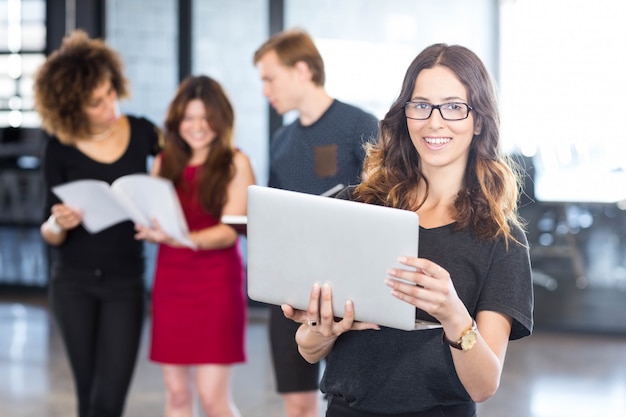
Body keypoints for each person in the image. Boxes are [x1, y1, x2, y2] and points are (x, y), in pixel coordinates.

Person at [281, 43, 534, 417]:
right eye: (421, 105)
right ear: (405, 114)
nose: (434, 122)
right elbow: (308, 347)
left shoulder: (500, 239)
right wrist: (320, 331)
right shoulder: (356, 207)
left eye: (453, 106)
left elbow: (483, 386)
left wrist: (453, 314)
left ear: (478, 120)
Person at [34, 30, 162, 417]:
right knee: (86, 397)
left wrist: (159, 196)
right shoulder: (58, 147)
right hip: (73, 283)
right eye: (96, 102)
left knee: (110, 399)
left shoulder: (142, 132)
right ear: (71, 107)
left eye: (110, 92)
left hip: (125, 281)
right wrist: (61, 222)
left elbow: (175, 181)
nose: (111, 106)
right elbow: (48, 230)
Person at [253, 28, 379, 417]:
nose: (265, 90)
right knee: (297, 402)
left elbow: (385, 205)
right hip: (291, 289)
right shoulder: (282, 140)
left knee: (354, 398)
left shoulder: (360, 125)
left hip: (352, 287)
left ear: (301, 70)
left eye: (269, 78)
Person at [134, 75, 255, 417]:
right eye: (189, 118)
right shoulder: (164, 163)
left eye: (206, 118)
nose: (197, 127)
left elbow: (229, 231)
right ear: (176, 122)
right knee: (176, 394)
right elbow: (154, 212)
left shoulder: (236, 162)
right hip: (172, 281)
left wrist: (180, 238)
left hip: (216, 282)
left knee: (212, 397)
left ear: (221, 120)